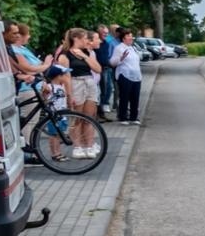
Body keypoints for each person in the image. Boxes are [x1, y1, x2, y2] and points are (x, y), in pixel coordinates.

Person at [57, 28, 101, 159]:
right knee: (77, 118)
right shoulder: (65, 55)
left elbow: (98, 69)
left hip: (89, 82)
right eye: (85, 38)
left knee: (89, 117)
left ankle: (89, 145)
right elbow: (66, 77)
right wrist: (69, 95)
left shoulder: (86, 52)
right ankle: (78, 146)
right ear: (76, 38)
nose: (87, 41)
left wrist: (85, 57)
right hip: (76, 83)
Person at [111, 27, 143, 124]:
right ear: (123, 38)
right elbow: (112, 62)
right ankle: (123, 117)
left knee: (135, 97)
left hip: (136, 76)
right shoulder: (119, 48)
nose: (131, 38)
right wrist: (121, 58)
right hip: (125, 75)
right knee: (124, 97)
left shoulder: (133, 48)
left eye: (131, 36)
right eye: (128, 36)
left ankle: (134, 117)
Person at [96, 26, 117, 120]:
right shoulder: (96, 45)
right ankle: (98, 112)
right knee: (100, 91)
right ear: (99, 33)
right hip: (98, 70)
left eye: (107, 33)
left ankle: (102, 110)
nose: (106, 34)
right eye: (104, 33)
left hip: (106, 68)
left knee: (108, 89)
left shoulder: (106, 43)